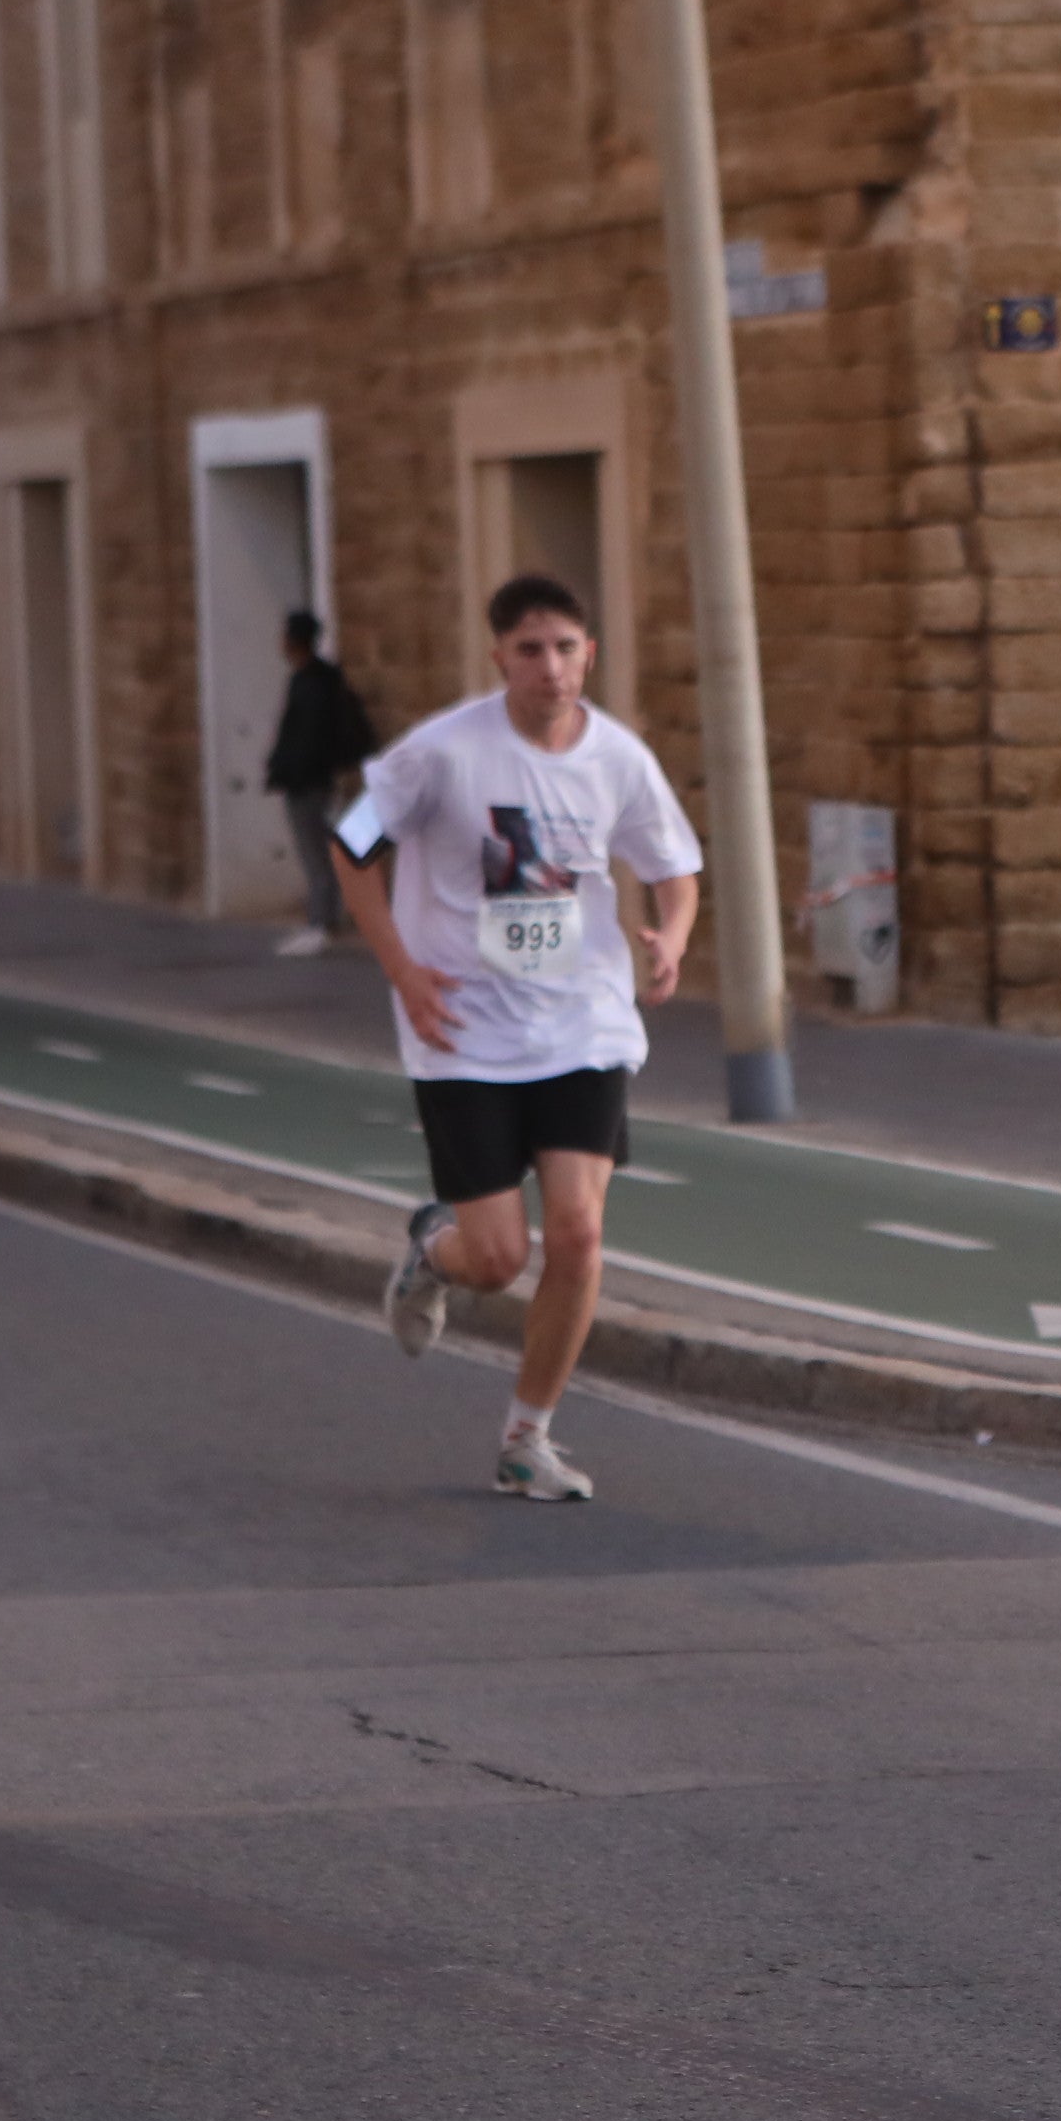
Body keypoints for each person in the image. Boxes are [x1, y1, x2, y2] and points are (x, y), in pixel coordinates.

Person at [333, 574, 703, 1503]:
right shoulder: (442, 755)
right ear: (498, 656)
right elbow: (351, 844)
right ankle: (435, 1249)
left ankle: (525, 1439)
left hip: (582, 1022)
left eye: (567, 647)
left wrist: (673, 936)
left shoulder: (618, 757)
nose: (551, 667)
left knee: (577, 1234)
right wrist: (403, 971)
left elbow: (676, 867)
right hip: (464, 1033)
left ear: (591, 655)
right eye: (531, 649)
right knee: (497, 1260)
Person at [265, 606, 380, 955]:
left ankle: (322, 922)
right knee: (320, 852)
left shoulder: (311, 684)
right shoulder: (320, 679)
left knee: (315, 853)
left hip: (309, 783)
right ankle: (324, 918)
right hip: (315, 780)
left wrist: (292, 772)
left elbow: (307, 738)